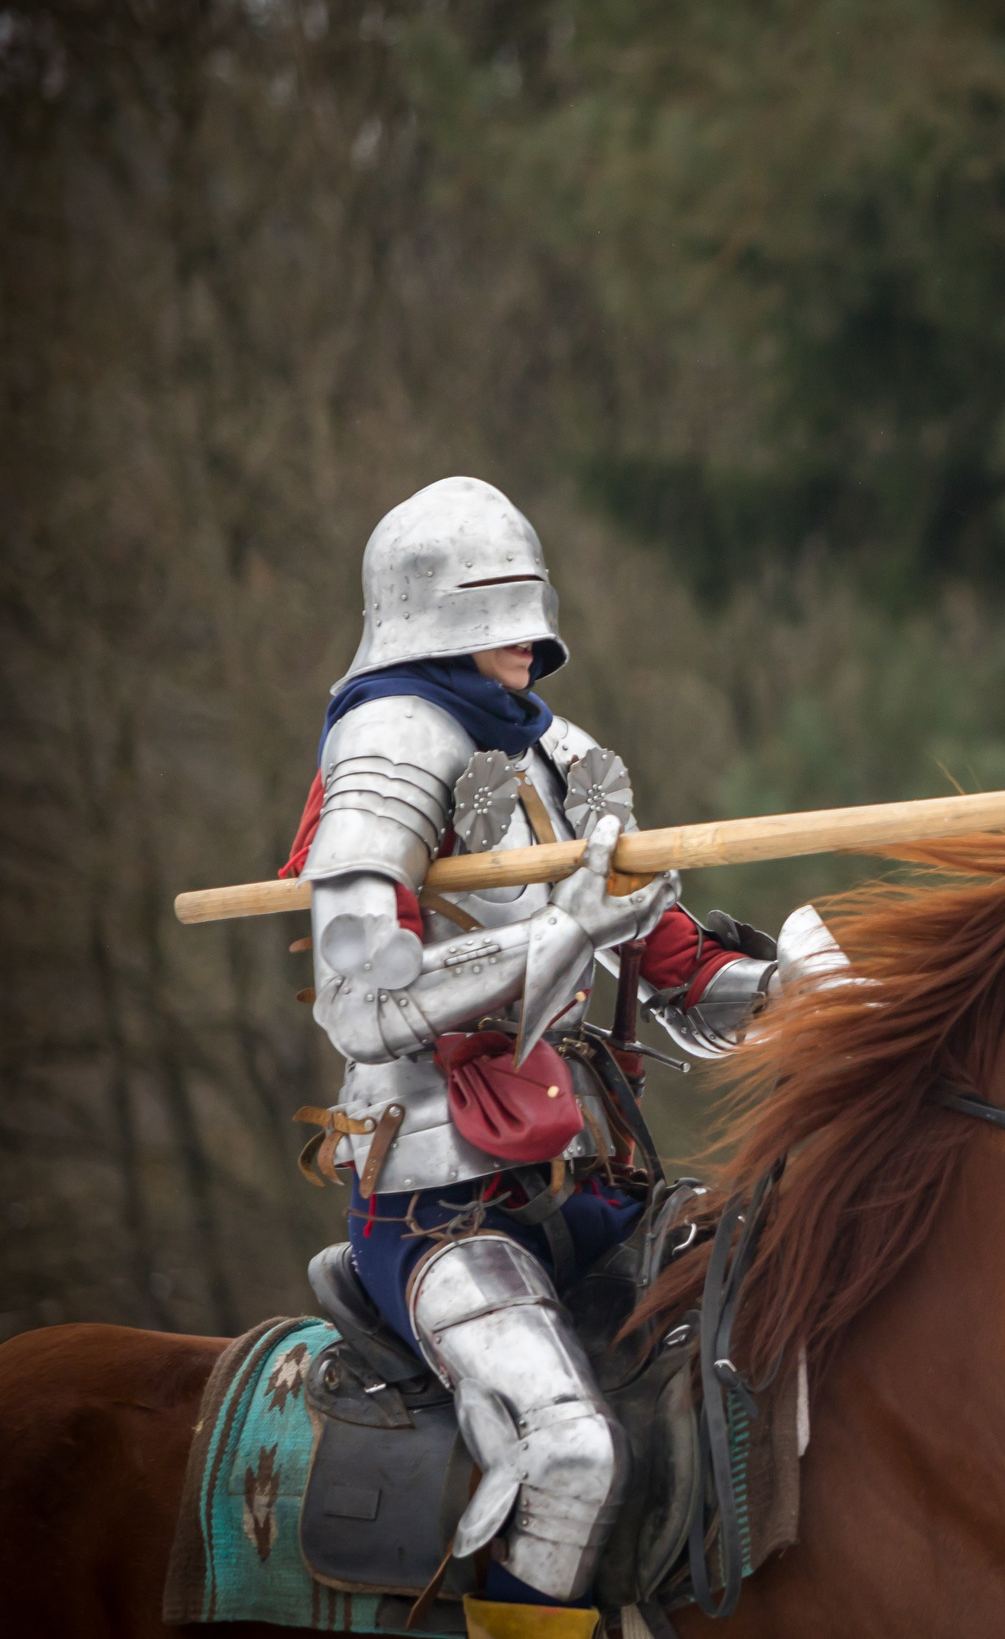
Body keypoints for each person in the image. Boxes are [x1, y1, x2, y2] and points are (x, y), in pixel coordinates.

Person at [285, 476, 793, 1639]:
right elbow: (362, 1001)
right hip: (440, 1208)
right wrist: (562, 934)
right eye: (498, 612)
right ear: (438, 623)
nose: (529, 636)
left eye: (532, 610)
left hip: (590, 1184)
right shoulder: (387, 744)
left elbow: (667, 960)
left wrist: (794, 991)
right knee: (566, 1453)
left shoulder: (557, 749)